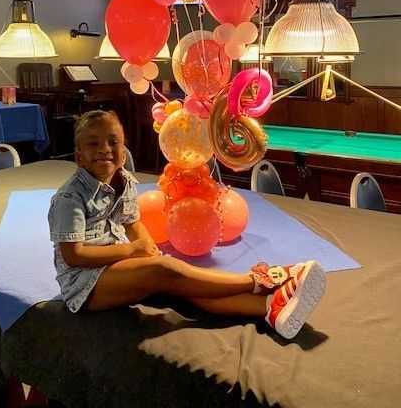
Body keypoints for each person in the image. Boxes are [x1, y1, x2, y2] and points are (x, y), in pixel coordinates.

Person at [48, 110, 326, 340]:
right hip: (84, 285)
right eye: (93, 144)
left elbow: (132, 220)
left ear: (123, 151)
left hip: (114, 267)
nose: (104, 150)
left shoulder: (124, 180)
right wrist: (134, 251)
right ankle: (261, 281)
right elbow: (75, 256)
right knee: (166, 268)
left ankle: (268, 307)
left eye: (113, 142)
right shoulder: (70, 197)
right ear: (79, 156)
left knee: (182, 284)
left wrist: (147, 249)